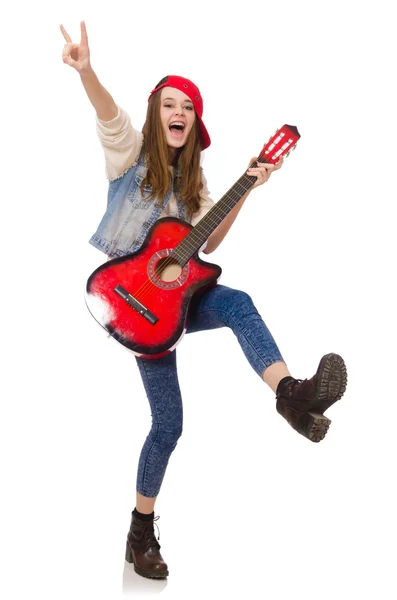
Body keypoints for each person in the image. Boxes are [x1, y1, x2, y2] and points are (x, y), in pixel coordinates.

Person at [60, 21, 348, 580]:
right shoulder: (130, 154)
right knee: (169, 425)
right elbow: (107, 114)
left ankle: (290, 395)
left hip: (179, 304)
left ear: (194, 123)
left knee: (237, 300)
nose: (178, 112)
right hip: (133, 305)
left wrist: (248, 185)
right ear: (156, 114)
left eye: (187, 107)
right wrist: (86, 70)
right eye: (169, 104)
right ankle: (139, 530)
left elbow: (207, 243)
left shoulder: (196, 187)